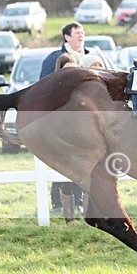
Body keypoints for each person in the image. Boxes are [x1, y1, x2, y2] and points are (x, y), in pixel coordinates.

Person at [40, 23, 88, 217]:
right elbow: (43, 86)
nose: (81, 36)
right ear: (66, 37)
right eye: (77, 33)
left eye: (82, 33)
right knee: (62, 162)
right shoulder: (54, 59)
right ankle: (59, 203)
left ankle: (81, 202)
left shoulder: (90, 56)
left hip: (85, 119)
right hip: (61, 118)